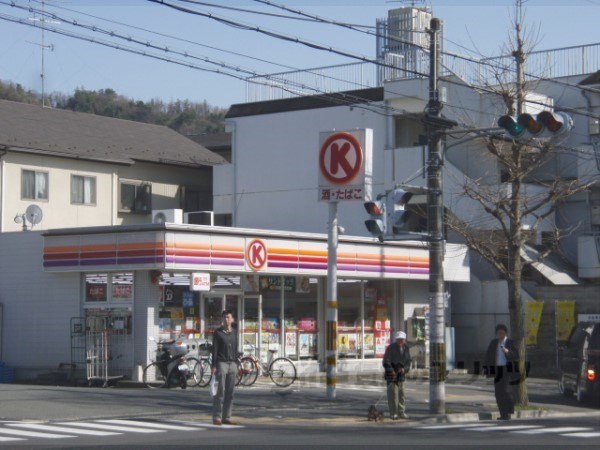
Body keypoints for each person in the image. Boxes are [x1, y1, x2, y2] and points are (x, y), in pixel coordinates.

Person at [483, 323, 520, 420]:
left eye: (502, 333)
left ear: (506, 333)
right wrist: (486, 367)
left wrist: (508, 352)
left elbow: (516, 355)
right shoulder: (494, 343)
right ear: (496, 334)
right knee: (498, 393)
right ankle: (503, 414)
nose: (500, 335)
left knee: (506, 391)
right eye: (499, 333)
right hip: (497, 370)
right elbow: (488, 355)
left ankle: (509, 411)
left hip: (507, 370)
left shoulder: (510, 342)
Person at [211, 309, 239, 426]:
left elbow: (235, 348)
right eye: (224, 317)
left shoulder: (234, 332)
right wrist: (214, 365)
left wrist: (236, 362)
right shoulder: (218, 333)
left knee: (230, 392)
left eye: (228, 317)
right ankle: (217, 417)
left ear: (232, 319)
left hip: (232, 363)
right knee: (220, 391)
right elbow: (215, 349)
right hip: (221, 363)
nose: (226, 319)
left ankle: (227, 416)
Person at [383, 330, 412, 420]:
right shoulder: (391, 348)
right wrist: (391, 370)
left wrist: (404, 369)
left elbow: (408, 361)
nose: (400, 341)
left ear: (404, 340)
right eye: (399, 339)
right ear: (396, 339)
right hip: (391, 375)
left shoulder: (406, 348)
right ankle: (393, 413)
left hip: (401, 375)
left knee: (402, 394)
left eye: (402, 339)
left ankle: (401, 412)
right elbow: (386, 361)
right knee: (393, 395)